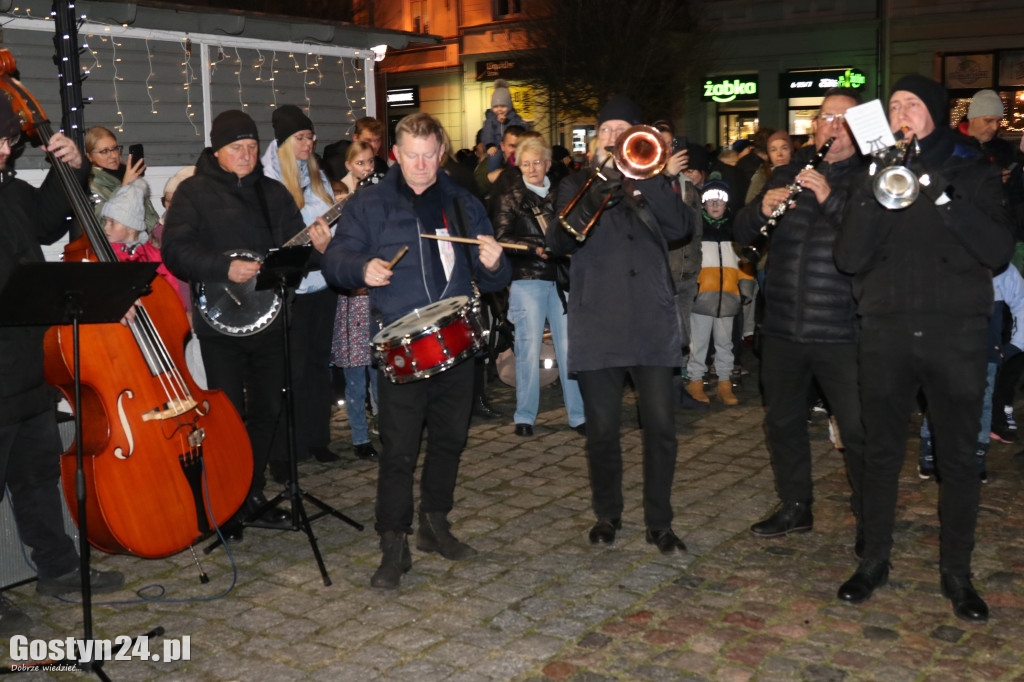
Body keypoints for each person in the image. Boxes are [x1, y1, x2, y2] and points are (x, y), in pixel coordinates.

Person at [834, 75, 1014, 623]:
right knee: (881, 453)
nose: (901, 113)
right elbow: (848, 258)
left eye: (911, 104)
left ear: (933, 113)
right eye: (893, 106)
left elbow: (997, 251)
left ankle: (957, 573)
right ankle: (873, 561)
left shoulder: (972, 170)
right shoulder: (871, 176)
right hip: (886, 332)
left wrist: (935, 187)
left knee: (958, 460)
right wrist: (875, 188)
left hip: (954, 335)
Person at [321, 112, 510, 589]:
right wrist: (361, 267)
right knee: (399, 450)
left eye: (429, 156)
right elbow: (336, 260)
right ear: (396, 155)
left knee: (450, 439)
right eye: (412, 156)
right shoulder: (369, 204)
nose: (421, 165)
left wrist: (495, 264)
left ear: (440, 153)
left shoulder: (463, 202)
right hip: (402, 347)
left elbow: (493, 280)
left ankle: (434, 523)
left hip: (458, 342)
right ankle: (393, 542)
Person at [161, 109, 330, 544]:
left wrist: (318, 249)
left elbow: (293, 257)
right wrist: (223, 268)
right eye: (236, 147)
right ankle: (227, 502)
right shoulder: (193, 192)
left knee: (268, 410)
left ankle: (251, 493)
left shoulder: (273, 193)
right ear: (217, 150)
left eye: (252, 147)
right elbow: (175, 252)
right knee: (229, 416)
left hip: (271, 323)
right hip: (220, 327)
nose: (246, 154)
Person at [547, 95, 694, 554]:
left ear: (636, 135)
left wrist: (648, 179)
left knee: (661, 429)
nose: (613, 137)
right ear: (597, 139)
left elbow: (681, 228)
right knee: (603, 431)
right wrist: (601, 185)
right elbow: (559, 241)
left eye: (621, 130)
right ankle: (607, 514)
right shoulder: (576, 183)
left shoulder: (653, 181)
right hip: (599, 322)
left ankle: (659, 522)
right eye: (606, 130)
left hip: (651, 321)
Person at [0, 99, 124, 638]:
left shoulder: (11, 192)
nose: (5, 151)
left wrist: (68, 167)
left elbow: (51, 223)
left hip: (29, 365)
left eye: (9, 141)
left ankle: (57, 569)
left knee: (38, 476)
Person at [735, 89, 867, 547]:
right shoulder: (788, 172)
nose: (834, 127)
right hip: (784, 327)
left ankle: (869, 511)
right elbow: (742, 233)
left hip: (841, 330)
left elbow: (869, 244)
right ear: (814, 126)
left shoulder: (870, 178)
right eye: (827, 118)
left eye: (844, 120)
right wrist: (760, 210)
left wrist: (829, 197)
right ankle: (795, 505)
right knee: (782, 423)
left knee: (857, 428)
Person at [260, 105, 340, 469]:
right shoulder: (268, 181)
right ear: (283, 142)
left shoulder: (317, 175)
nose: (308, 144)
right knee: (290, 370)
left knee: (318, 366)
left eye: (311, 137)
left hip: (321, 286)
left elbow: (335, 228)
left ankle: (317, 437)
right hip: (289, 291)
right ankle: (286, 447)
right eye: (301, 138)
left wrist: (330, 243)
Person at [493, 135, 585, 437]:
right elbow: (502, 238)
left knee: (569, 349)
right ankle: (525, 416)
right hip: (527, 277)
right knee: (527, 348)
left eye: (537, 163)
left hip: (561, 277)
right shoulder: (510, 196)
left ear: (547, 164)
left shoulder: (562, 194)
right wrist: (534, 247)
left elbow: (576, 230)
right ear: (519, 166)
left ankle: (578, 415)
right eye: (526, 164)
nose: (532, 169)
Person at [330, 140, 380, 461]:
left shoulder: (374, 196)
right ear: (349, 165)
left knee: (379, 369)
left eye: (370, 162)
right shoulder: (340, 197)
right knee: (355, 373)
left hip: (373, 298)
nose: (367, 168)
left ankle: (384, 426)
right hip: (350, 300)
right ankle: (360, 436)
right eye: (360, 163)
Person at [686, 179, 751, 406]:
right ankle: (695, 381)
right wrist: (692, 287)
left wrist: (745, 287)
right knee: (698, 342)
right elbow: (689, 261)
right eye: (710, 201)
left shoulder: (735, 231)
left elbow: (744, 262)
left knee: (726, 343)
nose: (715, 205)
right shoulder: (696, 230)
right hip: (702, 295)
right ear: (703, 204)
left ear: (727, 205)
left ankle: (725, 383)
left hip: (729, 295)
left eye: (720, 201)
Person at [101, 179, 187, 309]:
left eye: (112, 222)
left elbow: (172, 289)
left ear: (131, 227)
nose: (105, 227)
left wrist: (179, 311)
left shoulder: (154, 255)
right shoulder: (106, 254)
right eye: (106, 221)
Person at [85, 126, 160, 239]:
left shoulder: (124, 175)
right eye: (104, 151)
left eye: (115, 148)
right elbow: (103, 226)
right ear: (89, 156)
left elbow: (148, 217)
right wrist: (125, 187)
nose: (114, 155)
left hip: (147, 244)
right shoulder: (90, 186)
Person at [481, 79, 528, 173]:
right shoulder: (490, 119)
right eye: (495, 107)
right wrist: (490, 145)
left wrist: (507, 122)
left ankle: (516, 174)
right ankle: (493, 176)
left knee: (517, 158)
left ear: (509, 106)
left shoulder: (515, 117)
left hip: (512, 148)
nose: (499, 109)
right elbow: (487, 133)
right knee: (494, 157)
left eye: (503, 106)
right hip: (497, 148)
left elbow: (523, 128)